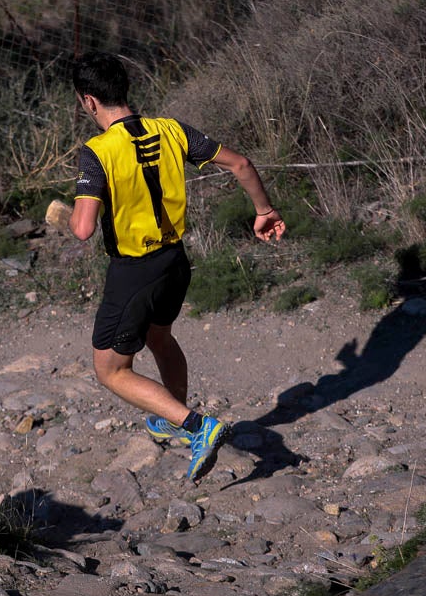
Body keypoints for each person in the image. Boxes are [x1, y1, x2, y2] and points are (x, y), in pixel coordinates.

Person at [68, 52, 286, 483]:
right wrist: (264, 210)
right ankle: (171, 417)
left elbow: (82, 229)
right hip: (175, 261)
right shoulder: (171, 130)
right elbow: (241, 164)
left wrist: (72, 213)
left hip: (134, 271)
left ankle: (195, 425)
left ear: (89, 102)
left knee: (111, 370)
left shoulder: (96, 152)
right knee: (159, 337)